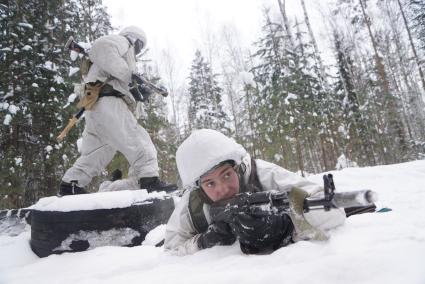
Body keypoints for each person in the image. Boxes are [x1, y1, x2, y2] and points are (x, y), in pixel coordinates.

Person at [164, 129, 346, 255]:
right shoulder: (193, 203)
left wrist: (286, 226)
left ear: (238, 168)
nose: (222, 188)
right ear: (199, 187)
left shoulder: (264, 175)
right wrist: (204, 241)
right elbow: (171, 251)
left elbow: (334, 210)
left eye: (226, 175)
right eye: (210, 184)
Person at [59, 26, 176, 196]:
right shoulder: (124, 42)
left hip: (95, 106)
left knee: (98, 152)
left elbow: (115, 75)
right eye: (139, 46)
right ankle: (149, 180)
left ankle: (71, 184)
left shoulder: (116, 59)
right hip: (109, 102)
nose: (137, 51)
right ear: (135, 39)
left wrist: (138, 90)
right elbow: (102, 47)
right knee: (140, 141)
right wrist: (130, 78)